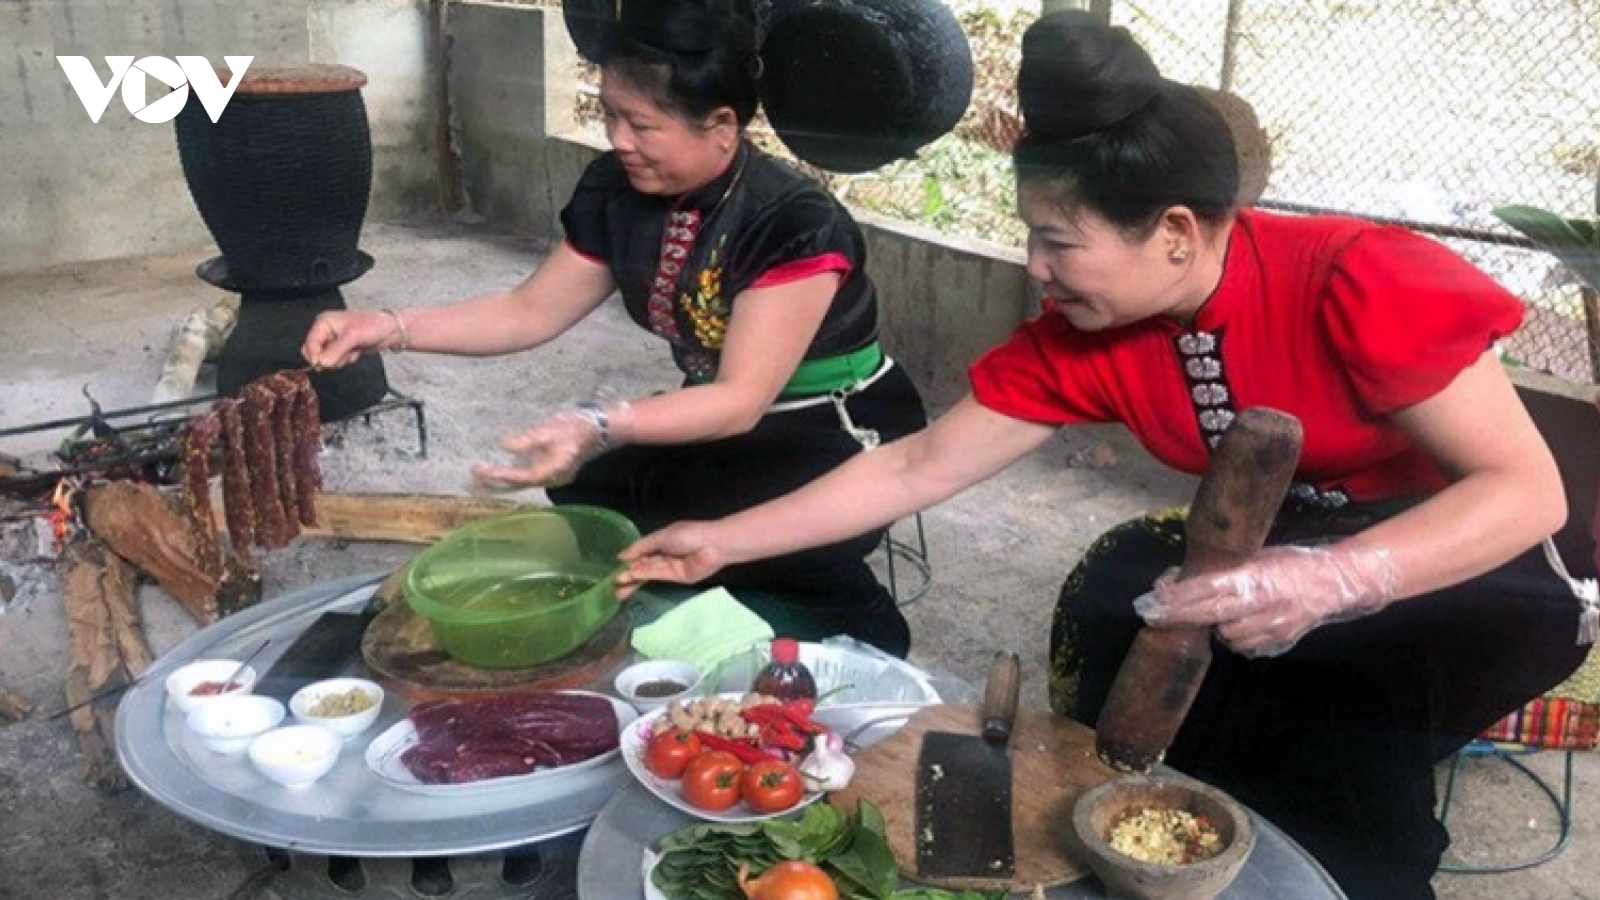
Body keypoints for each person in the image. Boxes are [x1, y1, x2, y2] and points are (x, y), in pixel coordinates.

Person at [616, 11, 1591, 898]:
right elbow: (917, 468)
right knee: (1118, 609)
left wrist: (1334, 580)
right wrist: (723, 540)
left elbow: (1526, 493)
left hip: (1490, 555)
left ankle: (1361, 878)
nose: (1034, 270)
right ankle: (1163, 838)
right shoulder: (1087, 333)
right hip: (1298, 533)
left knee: (1333, 710)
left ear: (1172, 231)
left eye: (1056, 243)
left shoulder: (1358, 279)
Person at [301, 0, 926, 656]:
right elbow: (529, 311)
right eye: (609, 114)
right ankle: (711, 606)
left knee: (708, 521)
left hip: (830, 421)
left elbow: (741, 401)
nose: (618, 139)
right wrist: (388, 326)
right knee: (590, 485)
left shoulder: (791, 222)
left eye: (642, 124)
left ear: (720, 126)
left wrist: (598, 422)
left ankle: (855, 623)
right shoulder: (617, 189)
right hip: (719, 406)